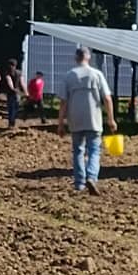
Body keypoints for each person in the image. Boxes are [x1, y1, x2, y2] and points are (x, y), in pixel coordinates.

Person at [57, 46, 117, 195]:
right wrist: (111, 119)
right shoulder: (97, 74)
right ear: (88, 57)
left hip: (75, 120)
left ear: (75, 58)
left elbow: (63, 102)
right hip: (94, 119)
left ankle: (79, 183)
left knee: (78, 151)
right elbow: (107, 98)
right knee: (94, 150)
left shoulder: (69, 76)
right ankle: (91, 177)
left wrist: (60, 123)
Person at [3, 58, 26, 128]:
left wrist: (13, 88)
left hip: (11, 93)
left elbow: (9, 82)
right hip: (17, 93)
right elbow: (22, 83)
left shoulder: (7, 73)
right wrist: (26, 92)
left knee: (11, 109)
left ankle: (11, 123)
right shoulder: (19, 73)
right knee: (15, 108)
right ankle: (13, 122)